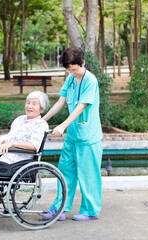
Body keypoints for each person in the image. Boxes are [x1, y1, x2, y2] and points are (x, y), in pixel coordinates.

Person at [40, 47, 103, 221]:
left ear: (83, 63)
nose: (72, 73)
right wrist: (42, 120)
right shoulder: (70, 79)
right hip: (73, 136)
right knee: (65, 172)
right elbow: (61, 101)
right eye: (68, 70)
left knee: (88, 175)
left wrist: (63, 125)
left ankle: (90, 210)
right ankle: (60, 208)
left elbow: (80, 106)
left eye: (75, 69)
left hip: (88, 137)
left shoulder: (90, 80)